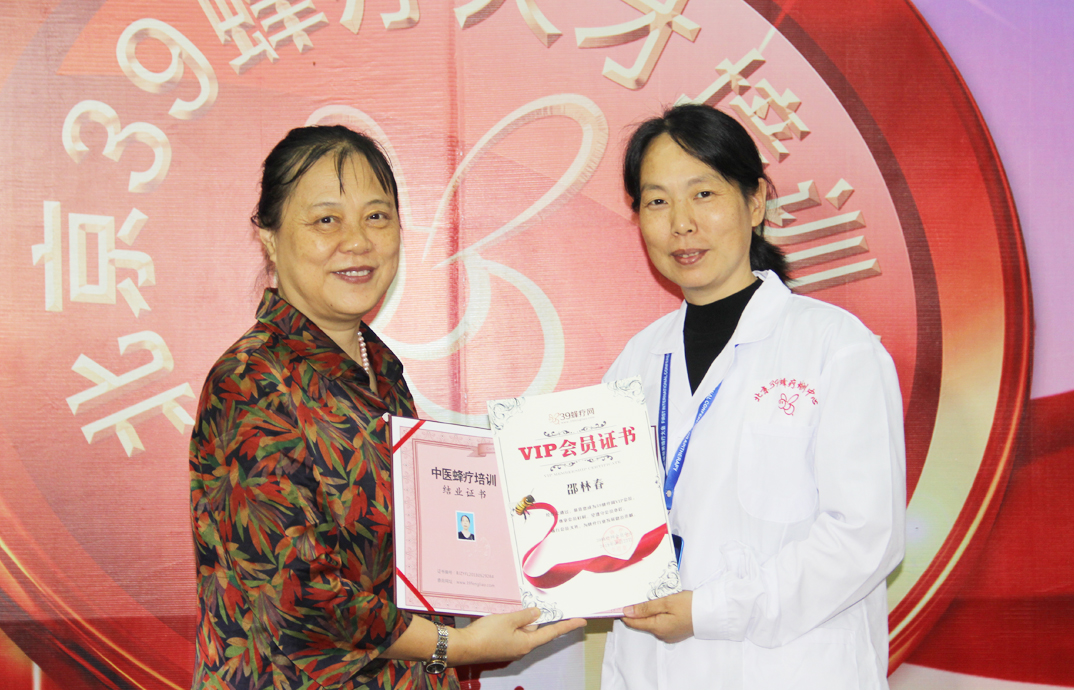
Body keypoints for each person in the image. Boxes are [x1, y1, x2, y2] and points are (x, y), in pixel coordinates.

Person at [189, 125, 584, 690]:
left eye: (376, 216)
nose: (357, 241)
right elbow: (299, 595)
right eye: (326, 220)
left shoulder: (381, 372)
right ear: (270, 238)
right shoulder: (252, 380)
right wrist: (455, 646)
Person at [599, 104, 906, 689]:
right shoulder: (633, 365)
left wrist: (715, 609)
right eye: (657, 201)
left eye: (704, 194)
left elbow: (866, 536)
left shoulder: (836, 347)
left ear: (756, 201)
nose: (681, 224)